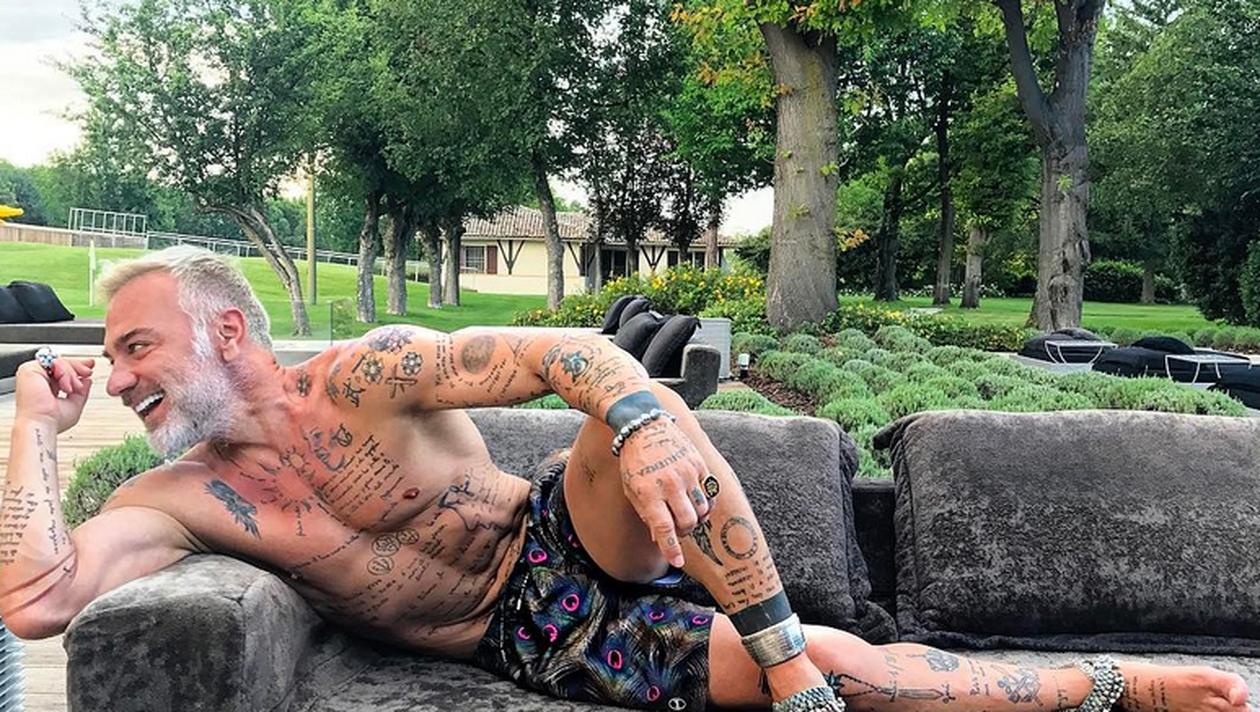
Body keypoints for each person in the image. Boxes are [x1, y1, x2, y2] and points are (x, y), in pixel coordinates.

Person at [0, 246, 1251, 712]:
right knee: (855, 667)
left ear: (225, 330)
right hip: (532, 636)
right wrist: (33, 427)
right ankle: (1120, 683)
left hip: (566, 531)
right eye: (113, 356)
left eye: (135, 347)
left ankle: (786, 662)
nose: (117, 375)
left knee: (636, 421)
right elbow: (35, 602)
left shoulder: (370, 373)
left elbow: (570, 352)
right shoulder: (177, 498)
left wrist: (643, 416)